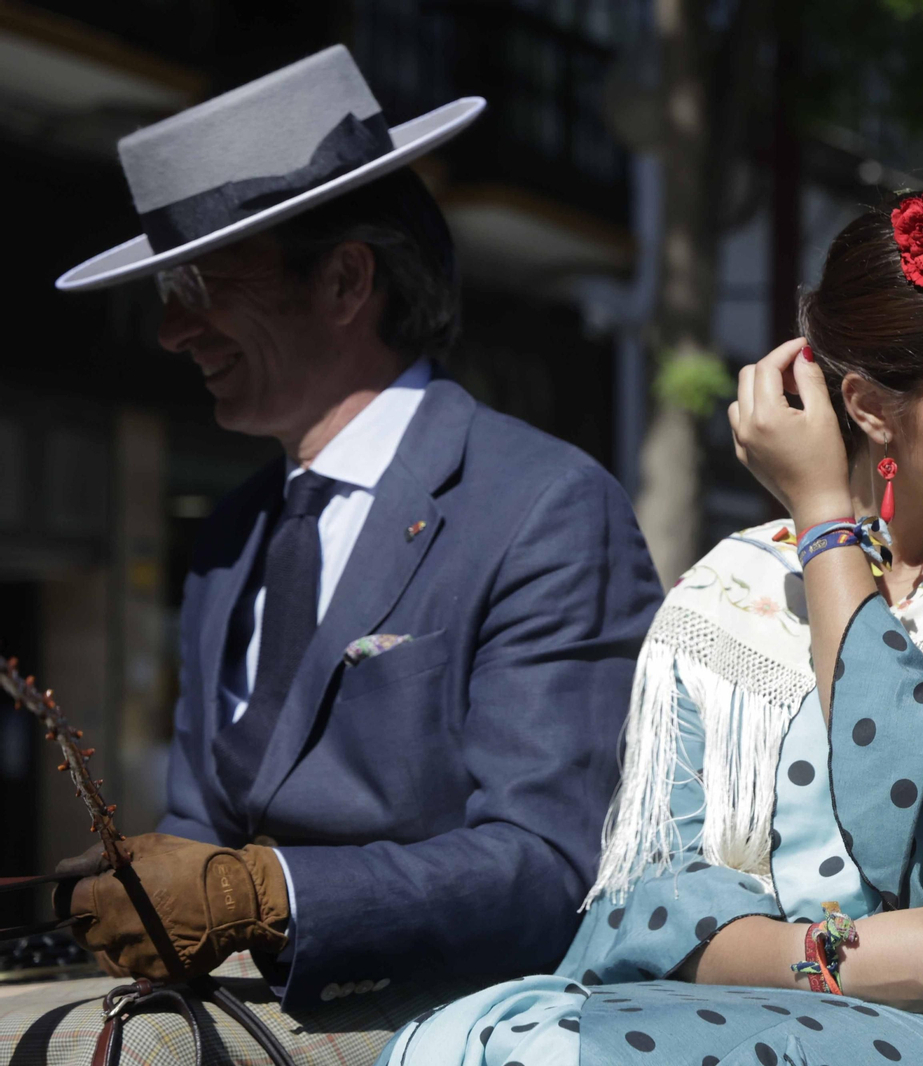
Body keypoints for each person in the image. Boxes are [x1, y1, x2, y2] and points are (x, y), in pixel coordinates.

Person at [380, 121, 923, 1066]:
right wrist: (829, 957)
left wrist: (824, 520)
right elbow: (643, 898)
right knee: (464, 1040)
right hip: (743, 1007)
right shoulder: (738, 585)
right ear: (870, 408)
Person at [41, 46, 662, 1009]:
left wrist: (267, 895)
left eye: (199, 288)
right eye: (167, 296)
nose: (171, 333)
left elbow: (555, 865)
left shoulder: (544, 506)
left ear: (343, 281)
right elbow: (203, 831)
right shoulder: (232, 535)